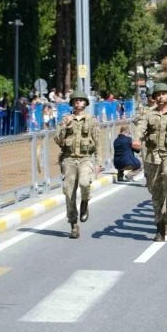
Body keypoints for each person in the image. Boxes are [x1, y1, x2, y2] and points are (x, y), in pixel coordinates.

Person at [133, 83, 167, 241]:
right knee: (156, 194)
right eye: (158, 94)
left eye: (164, 94)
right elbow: (140, 129)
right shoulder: (148, 115)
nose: (160, 96)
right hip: (152, 156)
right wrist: (136, 140)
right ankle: (160, 228)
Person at [54, 90, 103, 239]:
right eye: (76, 100)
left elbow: (98, 142)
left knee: (84, 183)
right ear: (72, 103)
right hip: (69, 160)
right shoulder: (65, 119)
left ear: (85, 103)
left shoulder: (92, 120)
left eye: (81, 100)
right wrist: (65, 125)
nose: (78, 102)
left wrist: (99, 163)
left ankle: (85, 202)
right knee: (69, 194)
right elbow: (57, 139)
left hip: (85, 158)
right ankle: (73, 224)